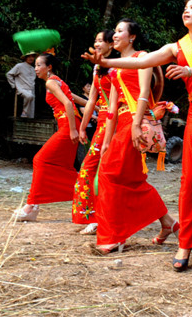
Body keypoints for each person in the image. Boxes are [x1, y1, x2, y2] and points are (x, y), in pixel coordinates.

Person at [90, 0, 192, 271]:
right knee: (190, 181)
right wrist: (107, 63)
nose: (186, 11)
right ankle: (185, 243)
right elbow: (142, 62)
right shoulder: (176, 46)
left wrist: (189, 70)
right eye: (184, 8)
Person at [94, 19, 178, 254]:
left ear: (132, 37)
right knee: (130, 180)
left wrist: (136, 124)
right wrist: (107, 140)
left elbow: (143, 94)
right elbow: (111, 109)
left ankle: (114, 236)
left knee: (110, 175)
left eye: (120, 31)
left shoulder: (143, 57)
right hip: (120, 123)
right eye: (115, 31)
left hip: (134, 121)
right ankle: (168, 222)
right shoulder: (114, 68)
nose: (115, 35)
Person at [14, 53, 80, 222]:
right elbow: (74, 99)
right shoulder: (57, 81)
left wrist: (73, 130)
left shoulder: (51, 82)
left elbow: (67, 103)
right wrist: (95, 108)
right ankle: (87, 190)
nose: (35, 69)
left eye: (38, 65)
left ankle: (31, 206)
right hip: (69, 124)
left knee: (40, 160)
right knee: (61, 166)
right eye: (35, 65)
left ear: (48, 67)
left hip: (68, 126)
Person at [72, 31, 115, 234]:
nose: (96, 43)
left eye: (100, 41)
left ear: (111, 45)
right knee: (90, 168)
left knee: (98, 170)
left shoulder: (118, 65)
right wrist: (83, 125)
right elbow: (92, 100)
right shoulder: (98, 67)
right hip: (102, 122)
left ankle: (101, 216)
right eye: (95, 40)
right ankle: (94, 215)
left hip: (114, 121)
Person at [7, 52, 37, 118]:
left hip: (31, 89)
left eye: (32, 57)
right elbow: (9, 74)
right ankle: (24, 112)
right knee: (29, 96)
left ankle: (28, 122)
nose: (31, 58)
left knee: (31, 111)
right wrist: (14, 85)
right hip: (22, 88)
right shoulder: (19, 66)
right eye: (29, 56)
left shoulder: (33, 69)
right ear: (25, 58)